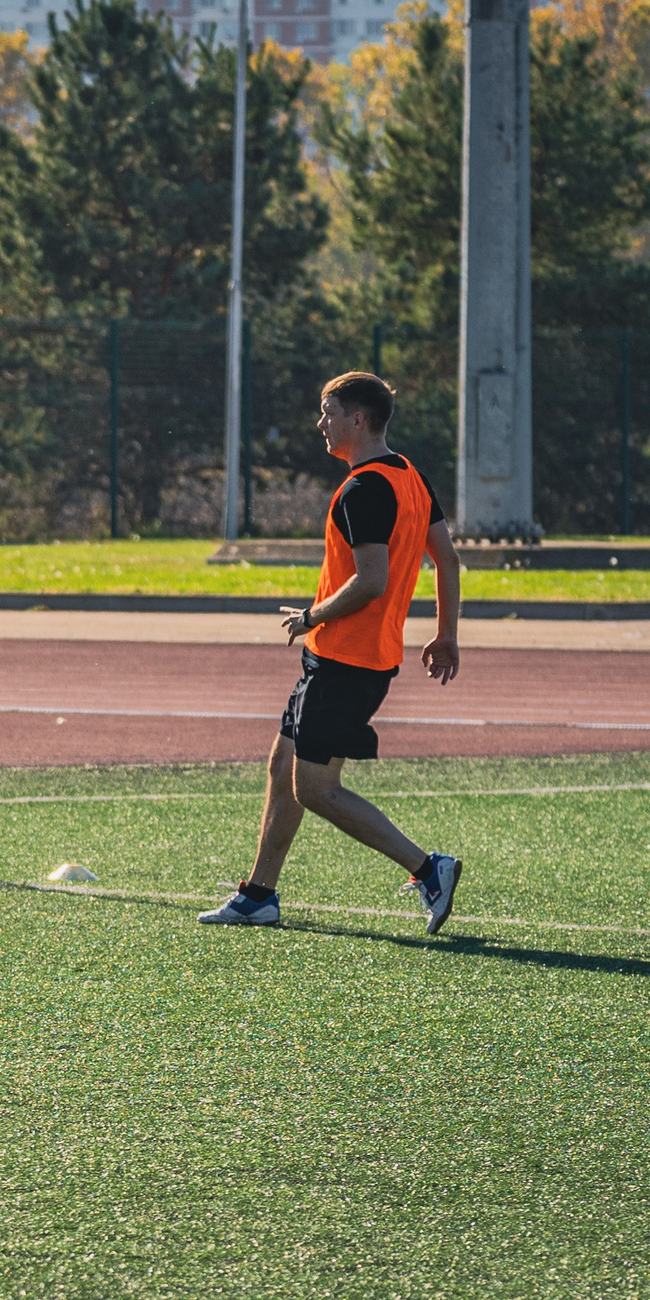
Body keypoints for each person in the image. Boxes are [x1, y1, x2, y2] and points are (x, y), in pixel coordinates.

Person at [201, 371, 465, 933]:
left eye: (328, 412)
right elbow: (447, 559)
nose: (321, 423)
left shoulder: (365, 488)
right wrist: (445, 634)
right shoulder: (410, 476)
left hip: (349, 660)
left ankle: (428, 868)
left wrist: (310, 616)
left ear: (358, 420)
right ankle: (258, 894)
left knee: (316, 789)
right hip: (342, 658)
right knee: (282, 766)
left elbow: (372, 580)